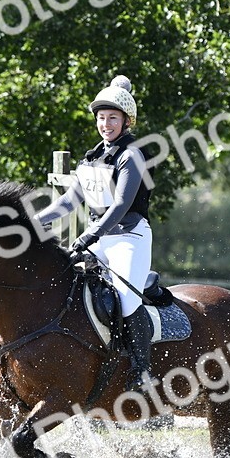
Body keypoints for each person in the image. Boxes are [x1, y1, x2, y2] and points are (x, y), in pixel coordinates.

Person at [34, 75, 155, 394]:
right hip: (98, 238)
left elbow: (120, 205)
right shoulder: (91, 158)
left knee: (127, 299)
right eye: (101, 118)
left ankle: (142, 372)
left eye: (112, 118)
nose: (106, 124)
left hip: (129, 238)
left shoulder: (132, 156)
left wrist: (88, 236)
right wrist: (33, 221)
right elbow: (67, 201)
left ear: (126, 121)